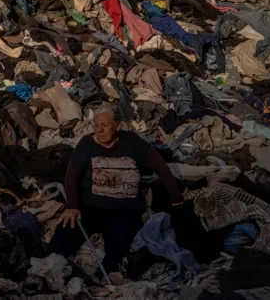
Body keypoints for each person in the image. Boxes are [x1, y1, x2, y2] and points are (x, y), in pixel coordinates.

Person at [47, 103, 184, 277]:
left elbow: (160, 166)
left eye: (104, 125)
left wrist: (176, 196)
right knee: (64, 235)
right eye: (96, 126)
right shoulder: (87, 143)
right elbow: (71, 175)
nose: (99, 130)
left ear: (117, 126)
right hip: (90, 206)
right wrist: (72, 206)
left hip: (124, 209)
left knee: (118, 249)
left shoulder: (132, 142)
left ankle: (106, 276)